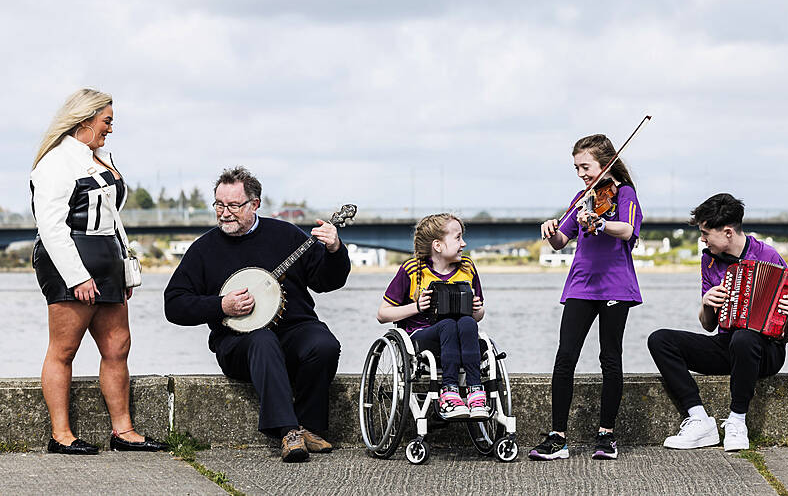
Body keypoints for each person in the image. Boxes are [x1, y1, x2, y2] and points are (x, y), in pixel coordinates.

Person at [164, 166, 350, 463]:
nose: (225, 213)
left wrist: (335, 250)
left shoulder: (286, 235)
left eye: (234, 206)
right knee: (262, 340)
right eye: (219, 205)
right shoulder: (203, 250)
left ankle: (309, 427)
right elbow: (173, 304)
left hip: (292, 330)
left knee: (323, 344)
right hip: (238, 342)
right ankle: (288, 432)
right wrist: (220, 305)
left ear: (255, 204)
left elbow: (327, 282)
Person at [31, 88, 167, 455]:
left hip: (107, 259)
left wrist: (124, 268)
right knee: (65, 348)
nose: (111, 127)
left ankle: (123, 431)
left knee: (117, 346)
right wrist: (77, 276)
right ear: (85, 119)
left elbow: (112, 218)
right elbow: (51, 227)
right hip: (69, 261)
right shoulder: (56, 163)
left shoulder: (101, 157)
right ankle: (60, 435)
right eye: (106, 120)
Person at [647, 193, 788, 451]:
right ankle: (699, 419)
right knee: (660, 339)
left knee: (745, 337)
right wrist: (706, 303)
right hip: (727, 344)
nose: (701, 239)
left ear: (727, 232)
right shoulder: (709, 260)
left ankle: (737, 421)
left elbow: (787, 324)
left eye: (705, 233)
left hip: (766, 351)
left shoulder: (767, 255)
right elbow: (708, 325)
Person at [529, 134, 642, 461]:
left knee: (610, 357)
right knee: (565, 356)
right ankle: (557, 437)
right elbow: (561, 240)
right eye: (576, 167)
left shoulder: (624, 193)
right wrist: (551, 230)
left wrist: (601, 222)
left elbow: (628, 229)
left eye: (585, 166)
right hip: (581, 285)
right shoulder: (582, 197)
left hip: (616, 285)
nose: (580, 173)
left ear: (605, 162)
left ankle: (606, 436)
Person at [377, 213, 487, 419]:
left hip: (462, 335)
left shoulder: (468, 268)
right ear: (437, 245)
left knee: (467, 322)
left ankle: (475, 391)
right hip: (422, 338)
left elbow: (478, 316)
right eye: (458, 238)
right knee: (447, 324)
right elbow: (382, 314)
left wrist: (476, 308)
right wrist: (417, 307)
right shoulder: (411, 270)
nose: (464, 243)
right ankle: (450, 391)